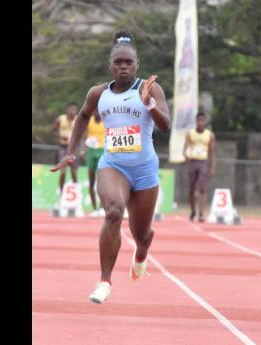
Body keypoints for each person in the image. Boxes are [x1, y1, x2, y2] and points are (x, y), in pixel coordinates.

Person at [51, 31, 171, 304]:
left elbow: (166, 126)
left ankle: (141, 252)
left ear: (137, 64)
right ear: (110, 65)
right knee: (114, 212)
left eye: (128, 62)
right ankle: (105, 281)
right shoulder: (98, 93)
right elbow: (82, 116)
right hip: (113, 165)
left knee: (142, 233)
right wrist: (72, 152)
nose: (123, 67)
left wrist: (149, 104)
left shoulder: (150, 89)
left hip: (144, 170)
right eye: (118, 62)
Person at [183, 112, 216, 222]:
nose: (201, 123)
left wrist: (212, 167)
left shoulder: (209, 135)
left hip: (203, 163)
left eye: (203, 120)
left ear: (205, 122)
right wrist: (187, 156)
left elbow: (212, 152)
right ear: (196, 121)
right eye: (199, 120)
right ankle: (193, 211)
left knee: (202, 188)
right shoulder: (190, 134)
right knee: (192, 189)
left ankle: (201, 213)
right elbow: (185, 149)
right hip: (193, 162)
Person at [53, 102, 79, 195]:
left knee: (74, 173)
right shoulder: (60, 119)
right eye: (71, 109)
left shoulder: (78, 120)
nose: (72, 111)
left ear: (76, 111)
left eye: (74, 109)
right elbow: (54, 130)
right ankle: (61, 195)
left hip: (73, 149)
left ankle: (76, 197)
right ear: (67, 110)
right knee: (63, 172)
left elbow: (82, 133)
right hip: (63, 147)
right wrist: (60, 137)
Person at [85, 110, 105, 217]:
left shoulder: (106, 121)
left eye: (98, 110)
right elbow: (84, 135)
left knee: (101, 181)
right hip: (91, 151)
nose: (97, 113)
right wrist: (84, 148)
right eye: (95, 110)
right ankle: (94, 209)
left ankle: (102, 207)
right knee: (91, 181)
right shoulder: (89, 121)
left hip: (102, 151)